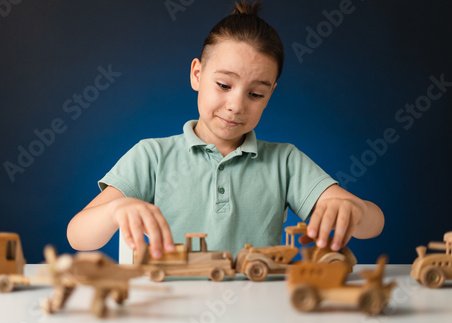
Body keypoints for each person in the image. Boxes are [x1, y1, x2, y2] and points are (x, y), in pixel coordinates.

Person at [67, 1, 384, 259]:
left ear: (270, 94)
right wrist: (115, 210)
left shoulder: (285, 162)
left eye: (255, 93)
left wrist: (352, 209)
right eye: (223, 84)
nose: (236, 105)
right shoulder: (151, 156)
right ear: (196, 74)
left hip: (259, 311)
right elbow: (78, 235)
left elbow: (375, 223)